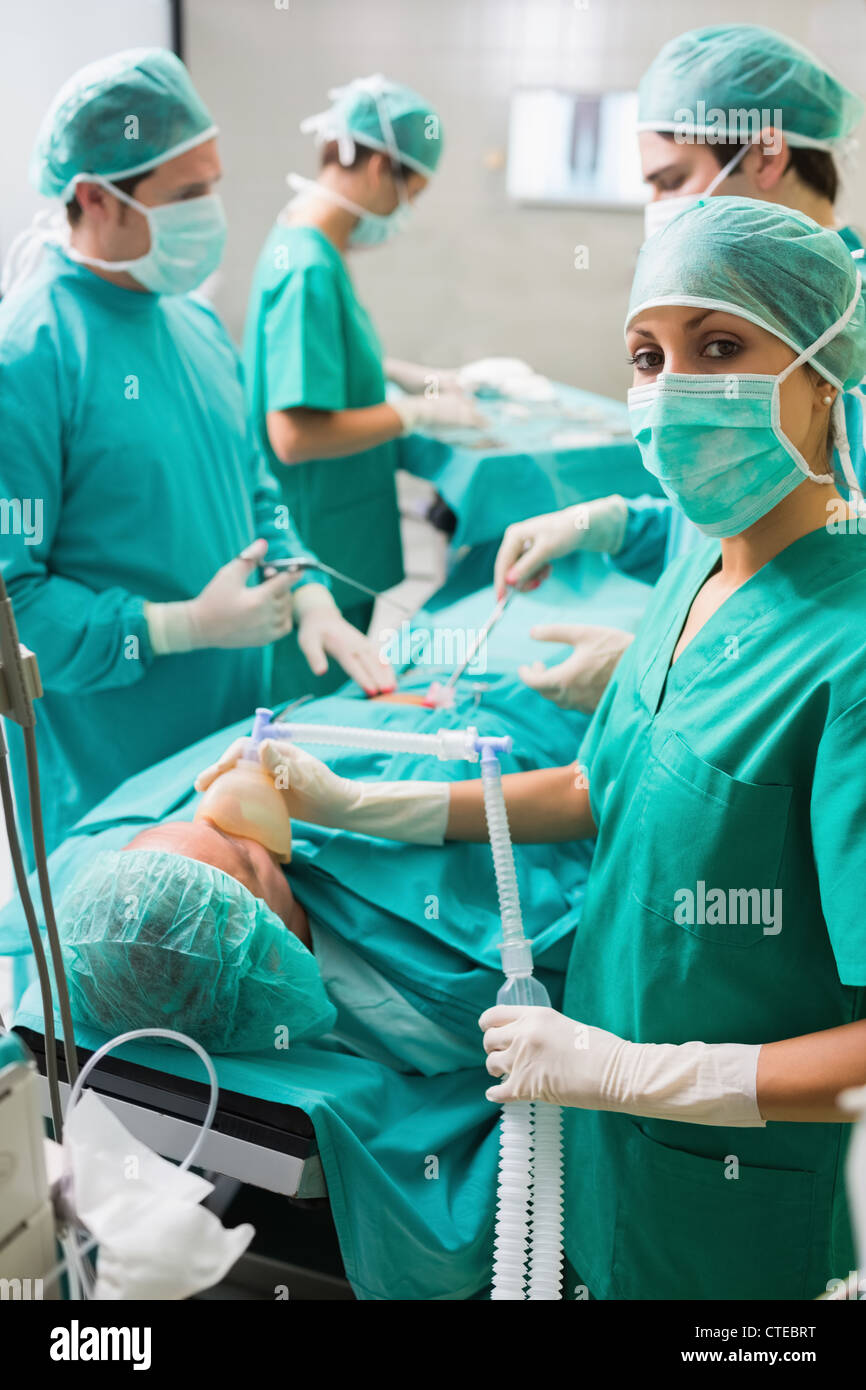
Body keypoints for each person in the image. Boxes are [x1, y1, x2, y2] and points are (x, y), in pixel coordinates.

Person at [223, 200, 866, 1299]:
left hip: (734, 1209)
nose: (667, 392)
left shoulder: (846, 657)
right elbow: (593, 788)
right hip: (614, 1164)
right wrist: (359, 805)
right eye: (645, 356)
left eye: (717, 347)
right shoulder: (700, 571)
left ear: (823, 369)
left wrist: (639, 1071)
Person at [0, 49, 393, 858]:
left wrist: (304, 584)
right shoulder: (30, 354)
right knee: (105, 970)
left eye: (211, 183)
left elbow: (253, 490)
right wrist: (177, 627)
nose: (208, 211)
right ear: (92, 199)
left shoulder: (195, 323)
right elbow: (11, 601)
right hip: (105, 768)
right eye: (185, 194)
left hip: (218, 742)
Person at [493, 24, 865, 713]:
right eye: (647, 357)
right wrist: (613, 525)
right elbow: (730, 516)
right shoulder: (733, 299)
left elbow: (829, 568)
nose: (661, 210)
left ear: (766, 152)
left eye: (672, 180)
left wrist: (670, 665)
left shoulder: (842, 337)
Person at [243, 75, 487, 699]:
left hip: (333, 532)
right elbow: (294, 433)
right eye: (413, 192)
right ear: (380, 167)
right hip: (319, 540)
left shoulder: (308, 244)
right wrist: (414, 413)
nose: (404, 213)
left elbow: (327, 365)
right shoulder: (308, 267)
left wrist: (416, 378)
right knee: (299, 726)